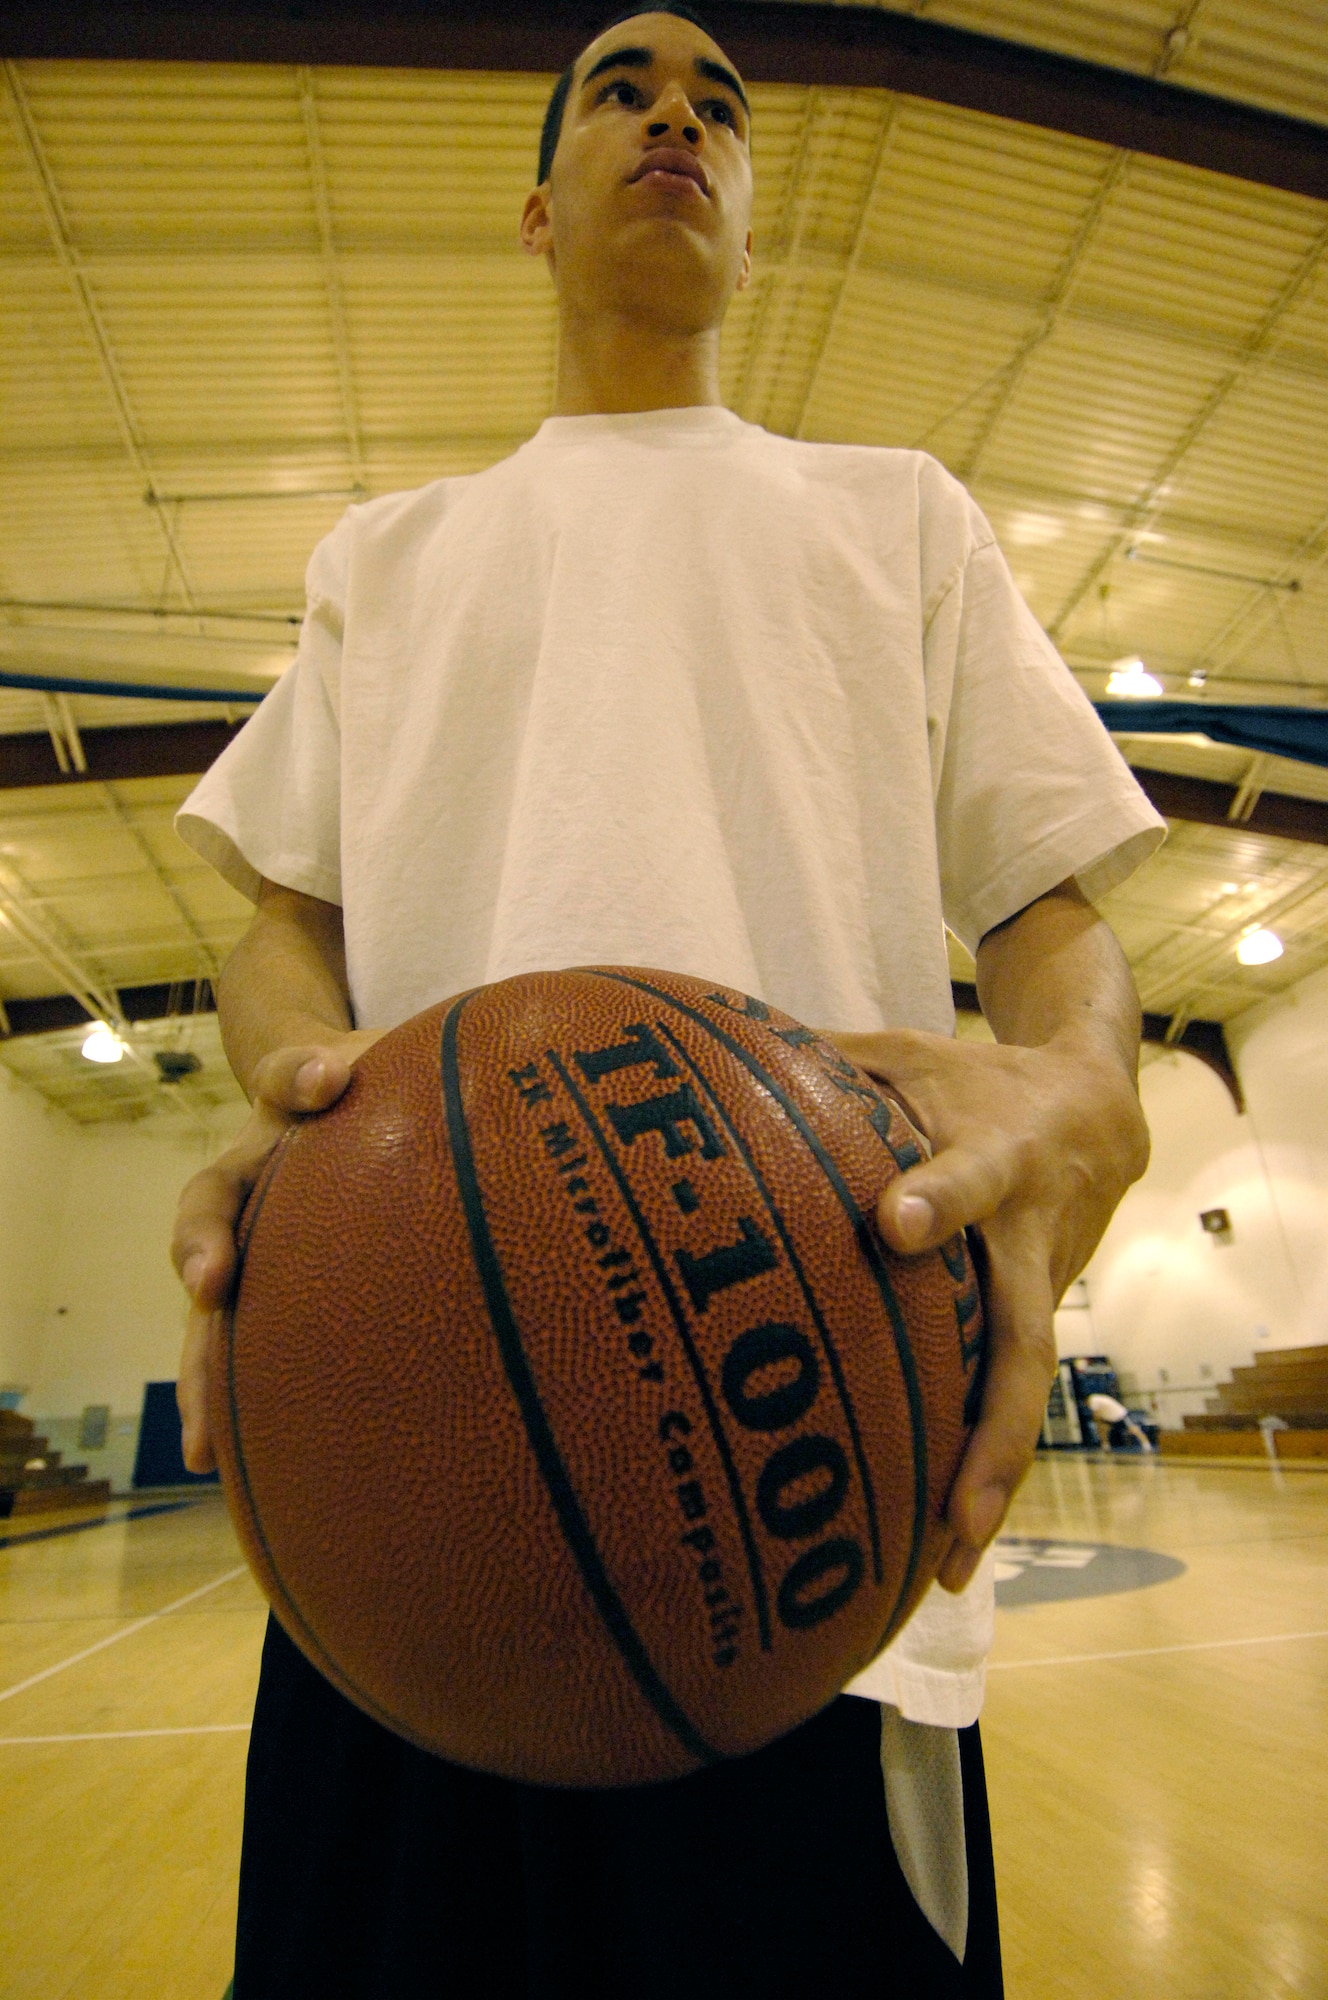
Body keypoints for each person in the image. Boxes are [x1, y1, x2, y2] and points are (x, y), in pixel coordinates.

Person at [171, 8, 1164, 1993]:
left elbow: (1050, 926)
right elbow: (279, 922)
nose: (677, 117)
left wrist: (1076, 1091)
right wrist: (304, 1073)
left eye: (719, 101)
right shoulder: (390, 553)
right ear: (542, 208)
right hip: (407, 1482)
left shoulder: (896, 515)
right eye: (624, 87)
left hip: (814, 1487)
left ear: (748, 215)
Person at [1087, 1390, 1154, 1453]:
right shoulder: (1099, 1399)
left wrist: (1096, 1421)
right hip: (1108, 1417)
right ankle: (1106, 1446)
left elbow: (1095, 1414)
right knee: (1102, 1429)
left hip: (1120, 1415)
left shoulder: (1093, 1399)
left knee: (1133, 1429)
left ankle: (1146, 1445)